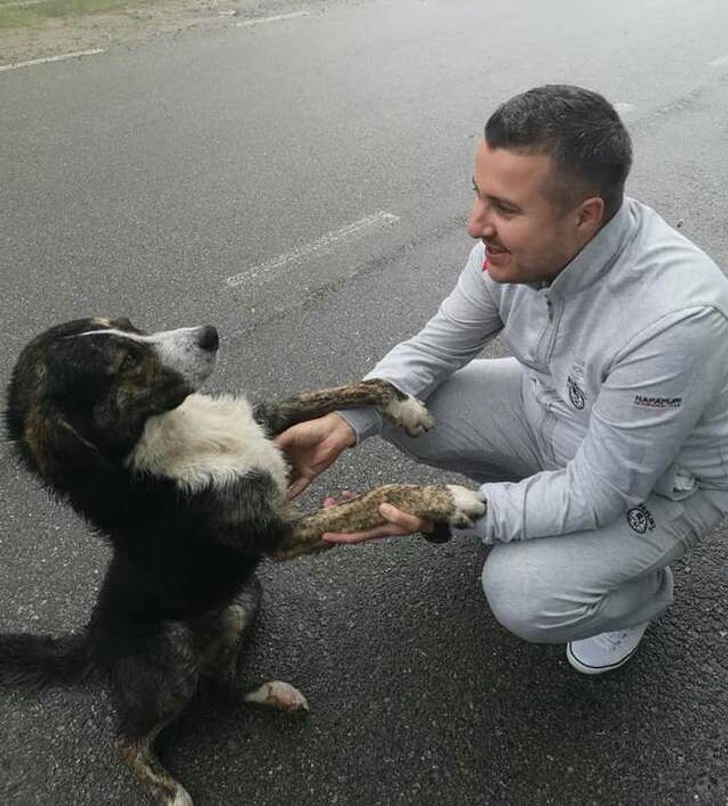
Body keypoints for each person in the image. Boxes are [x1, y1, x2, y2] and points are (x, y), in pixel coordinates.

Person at [276, 85, 728, 675]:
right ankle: (532, 511)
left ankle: (639, 590)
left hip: (658, 486)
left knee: (523, 591)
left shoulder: (674, 318)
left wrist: (440, 508)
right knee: (400, 409)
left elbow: (600, 492)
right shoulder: (509, 250)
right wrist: (346, 419)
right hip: (553, 409)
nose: (474, 225)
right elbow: (433, 347)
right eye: (478, 194)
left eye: (505, 209)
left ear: (584, 216)